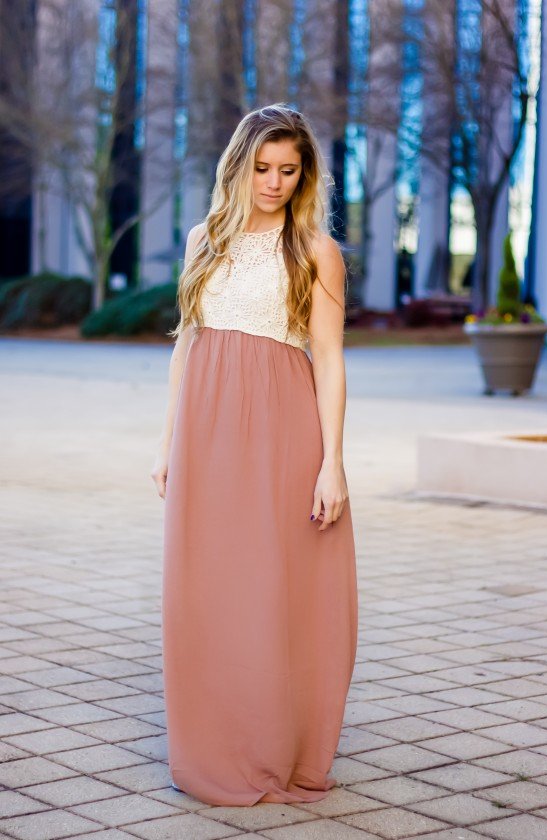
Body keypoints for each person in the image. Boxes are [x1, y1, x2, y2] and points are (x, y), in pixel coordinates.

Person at [151, 103, 358, 807]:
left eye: (288, 170)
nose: (273, 182)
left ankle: (273, 744)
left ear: (305, 176)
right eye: (262, 167)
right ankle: (212, 746)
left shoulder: (315, 251)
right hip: (205, 433)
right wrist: (167, 444)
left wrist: (332, 463)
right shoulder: (203, 239)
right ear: (238, 167)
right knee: (208, 588)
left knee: (271, 590)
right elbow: (186, 344)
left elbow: (329, 360)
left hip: (281, 430)